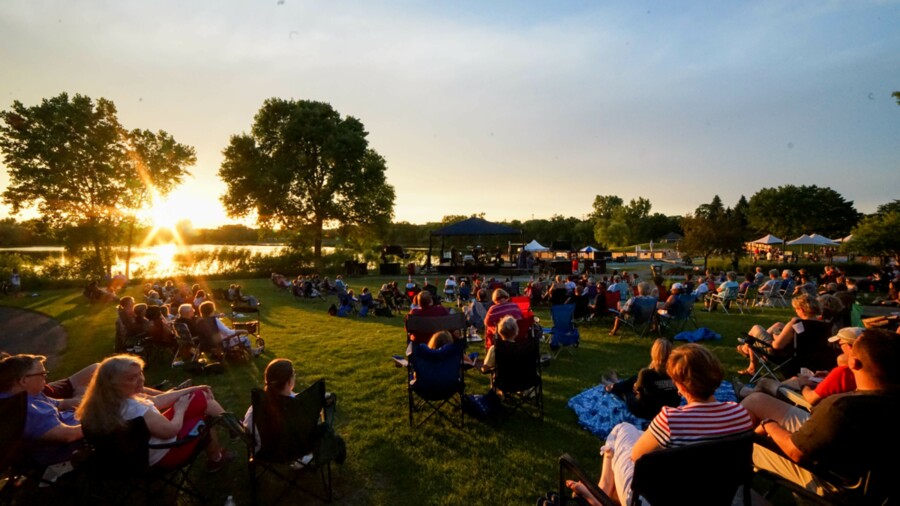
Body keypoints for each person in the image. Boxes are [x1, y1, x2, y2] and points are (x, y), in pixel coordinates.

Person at [567, 344, 753, 506]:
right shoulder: (740, 414)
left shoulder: (670, 420)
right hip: (716, 498)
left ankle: (602, 493)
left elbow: (636, 457)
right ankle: (603, 492)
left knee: (621, 430)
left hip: (658, 500)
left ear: (680, 385)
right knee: (636, 433)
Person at [741, 329, 900, 496]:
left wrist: (769, 425)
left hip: (835, 482)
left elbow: (796, 452)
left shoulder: (842, 408)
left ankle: (732, 484)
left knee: (743, 446)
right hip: (847, 454)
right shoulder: (878, 399)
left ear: (854, 363)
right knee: (756, 400)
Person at [76, 355, 233, 472]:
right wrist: (180, 410)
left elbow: (157, 401)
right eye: (132, 378)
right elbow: (171, 431)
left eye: (140, 374)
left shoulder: (99, 403)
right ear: (113, 383)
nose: (141, 380)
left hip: (126, 456)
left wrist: (193, 389)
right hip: (163, 454)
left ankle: (233, 427)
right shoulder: (134, 408)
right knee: (205, 414)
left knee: (199, 396)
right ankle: (216, 457)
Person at [736, 294, 832, 376]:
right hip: (807, 357)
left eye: (796, 309)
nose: (795, 311)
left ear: (802, 309)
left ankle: (746, 350)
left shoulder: (796, 322)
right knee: (778, 325)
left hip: (783, 356)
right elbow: (802, 337)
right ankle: (747, 348)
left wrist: (775, 337)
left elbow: (777, 346)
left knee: (756, 328)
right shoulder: (824, 324)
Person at [602, 338, 680, 419]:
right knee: (635, 378)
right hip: (670, 410)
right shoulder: (676, 373)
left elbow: (636, 390)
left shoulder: (646, 373)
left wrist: (636, 387)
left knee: (627, 390)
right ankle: (617, 385)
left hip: (646, 411)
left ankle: (614, 387)